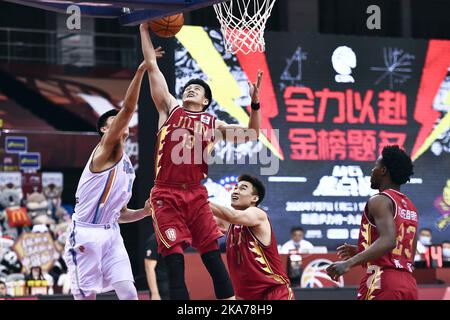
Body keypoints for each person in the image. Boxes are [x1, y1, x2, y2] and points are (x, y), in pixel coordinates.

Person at [140, 24, 263, 300]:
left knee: (211, 255)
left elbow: (252, 134)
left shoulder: (214, 124)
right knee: (174, 260)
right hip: (165, 192)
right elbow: (151, 67)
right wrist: (144, 28)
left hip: (196, 192)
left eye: (198, 89)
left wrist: (254, 105)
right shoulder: (169, 108)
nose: (192, 90)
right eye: (189, 87)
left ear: (206, 100)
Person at [63, 59, 160, 300]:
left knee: (129, 292)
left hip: (112, 232)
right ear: (106, 130)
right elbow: (128, 109)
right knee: (86, 297)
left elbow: (121, 213)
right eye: (114, 121)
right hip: (86, 233)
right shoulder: (105, 150)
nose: (121, 122)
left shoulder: (128, 165)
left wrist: (144, 213)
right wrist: (140, 71)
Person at [326, 145, 418, 300]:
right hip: (409, 284)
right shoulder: (410, 206)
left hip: (382, 280)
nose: (372, 170)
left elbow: (388, 241)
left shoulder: (380, 200)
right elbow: (403, 251)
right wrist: (362, 250)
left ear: (383, 171)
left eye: (376, 166)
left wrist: (348, 263)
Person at [209, 174, 294, 300]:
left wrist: (198, 197)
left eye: (242, 188)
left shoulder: (258, 214)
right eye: (235, 188)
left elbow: (233, 216)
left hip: (274, 292)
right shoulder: (229, 222)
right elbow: (203, 218)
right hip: (247, 296)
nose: (235, 191)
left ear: (254, 198)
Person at [144, 233, 169, 300]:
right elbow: (149, 268)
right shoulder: (154, 240)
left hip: (173, 286)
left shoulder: (173, 238)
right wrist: (155, 294)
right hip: (162, 289)